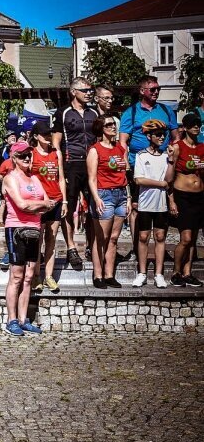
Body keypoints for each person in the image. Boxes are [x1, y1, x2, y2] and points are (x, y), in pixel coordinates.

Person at [119, 75, 179, 260]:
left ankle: (162, 248)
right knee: (138, 207)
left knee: (163, 206)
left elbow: (176, 137)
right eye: (152, 89)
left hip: (163, 165)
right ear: (142, 91)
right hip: (140, 165)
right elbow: (123, 141)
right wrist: (126, 163)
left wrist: (173, 155)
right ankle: (137, 248)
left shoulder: (166, 110)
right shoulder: (132, 112)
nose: (156, 92)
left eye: (158, 89)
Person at [2, 141, 53, 336]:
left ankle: (23, 319)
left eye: (29, 155)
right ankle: (11, 319)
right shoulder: (10, 178)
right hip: (16, 228)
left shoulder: (35, 179)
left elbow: (48, 202)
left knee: (29, 276)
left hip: (34, 227)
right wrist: (40, 204)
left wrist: (38, 205)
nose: (26, 158)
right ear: (14, 158)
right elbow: (22, 205)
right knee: (16, 275)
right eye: (22, 155)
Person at [52, 77, 98, 268]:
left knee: (94, 207)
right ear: (74, 92)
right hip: (71, 163)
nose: (89, 93)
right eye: (85, 90)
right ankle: (71, 247)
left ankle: (91, 245)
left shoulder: (94, 112)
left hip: (91, 164)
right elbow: (56, 143)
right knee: (68, 208)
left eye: (90, 90)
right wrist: (60, 166)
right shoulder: (63, 112)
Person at [87, 116, 130, 289]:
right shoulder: (95, 150)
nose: (114, 127)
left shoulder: (120, 148)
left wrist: (128, 198)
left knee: (113, 238)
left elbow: (124, 175)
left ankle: (109, 274)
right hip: (104, 194)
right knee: (102, 237)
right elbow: (92, 178)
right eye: (109, 124)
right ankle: (98, 274)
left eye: (114, 124)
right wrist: (96, 198)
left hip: (120, 194)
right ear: (101, 128)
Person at [132, 120, 174, 288]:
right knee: (143, 237)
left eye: (163, 134)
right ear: (149, 136)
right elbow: (139, 179)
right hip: (145, 203)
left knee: (160, 236)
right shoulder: (141, 155)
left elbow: (169, 180)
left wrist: (171, 160)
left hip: (161, 204)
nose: (161, 137)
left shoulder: (165, 156)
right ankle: (142, 272)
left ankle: (158, 273)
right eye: (157, 134)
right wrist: (160, 184)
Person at [29, 121, 66, 292]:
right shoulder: (31, 154)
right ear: (36, 136)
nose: (48, 137)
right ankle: (36, 275)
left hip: (56, 199)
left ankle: (49, 276)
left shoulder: (56, 153)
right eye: (44, 135)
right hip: (39, 203)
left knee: (51, 239)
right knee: (38, 239)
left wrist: (64, 201)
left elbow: (60, 178)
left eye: (49, 134)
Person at [168, 114, 204, 287]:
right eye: (192, 124)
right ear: (185, 127)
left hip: (199, 195)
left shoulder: (202, 147)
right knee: (186, 238)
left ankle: (188, 272)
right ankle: (176, 271)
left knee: (194, 238)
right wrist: (171, 200)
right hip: (183, 195)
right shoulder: (177, 147)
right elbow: (170, 176)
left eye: (198, 124)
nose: (196, 127)